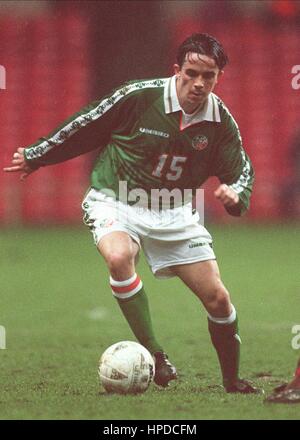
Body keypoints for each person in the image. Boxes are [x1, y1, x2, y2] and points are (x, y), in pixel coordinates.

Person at [4, 33, 258, 393]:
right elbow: (88, 122)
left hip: (174, 213)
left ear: (218, 77)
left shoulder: (220, 123)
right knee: (119, 256)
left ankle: (232, 382)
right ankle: (155, 355)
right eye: (191, 73)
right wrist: (38, 155)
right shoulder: (139, 96)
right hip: (116, 200)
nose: (199, 83)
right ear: (177, 70)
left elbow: (241, 173)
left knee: (219, 299)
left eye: (209, 76)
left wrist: (235, 197)